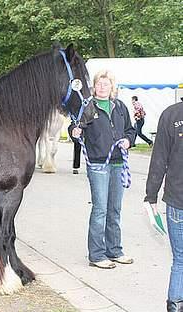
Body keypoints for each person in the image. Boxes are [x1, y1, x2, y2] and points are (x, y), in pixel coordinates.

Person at [69, 70, 136, 269]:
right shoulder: (88, 106)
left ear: (111, 86)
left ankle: (115, 251)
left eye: (106, 84)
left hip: (118, 163)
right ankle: (97, 255)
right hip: (98, 163)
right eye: (99, 84)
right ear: (94, 86)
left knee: (114, 209)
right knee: (100, 210)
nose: (102, 87)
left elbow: (131, 130)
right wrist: (74, 131)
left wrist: (128, 141)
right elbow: (75, 128)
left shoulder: (120, 107)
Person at [144, 101, 183, 311]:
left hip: (177, 199)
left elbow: (159, 159)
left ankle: (175, 306)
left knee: (180, 260)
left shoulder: (170, 115)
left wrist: (151, 195)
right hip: (177, 199)